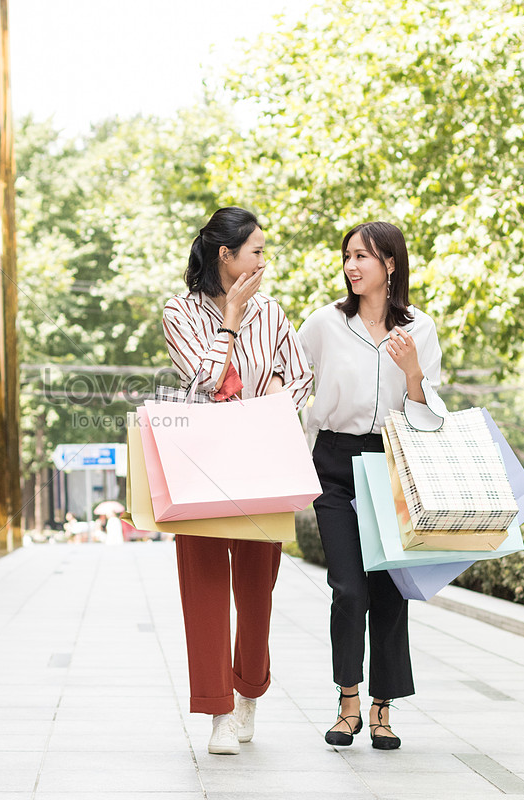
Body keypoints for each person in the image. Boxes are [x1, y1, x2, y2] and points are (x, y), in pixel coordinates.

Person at [162, 206, 313, 755]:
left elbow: (300, 377)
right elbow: (202, 376)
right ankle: (217, 712)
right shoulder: (179, 311)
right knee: (201, 588)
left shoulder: (272, 314)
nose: (263, 262)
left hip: (262, 461)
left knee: (256, 590)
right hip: (200, 463)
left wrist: (272, 400)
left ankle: (247, 691)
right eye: (256, 252)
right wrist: (230, 315)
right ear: (226, 256)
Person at [297, 221, 446, 751]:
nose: (351, 265)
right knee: (348, 586)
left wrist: (411, 373)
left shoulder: (420, 329)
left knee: (387, 590)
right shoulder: (324, 323)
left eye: (363, 256)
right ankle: (348, 701)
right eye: (348, 256)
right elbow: (290, 380)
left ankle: (384, 710)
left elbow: (429, 419)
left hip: (391, 461)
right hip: (334, 462)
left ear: (390, 263)